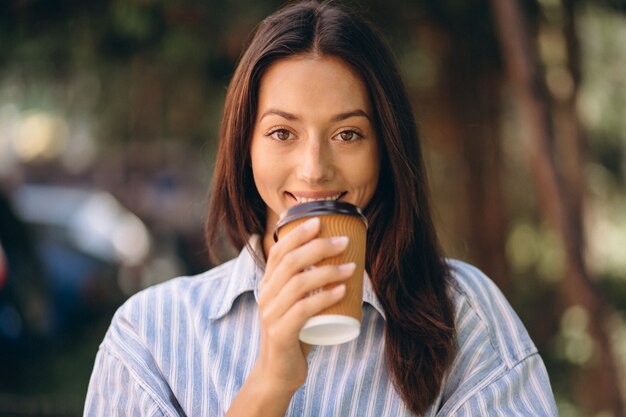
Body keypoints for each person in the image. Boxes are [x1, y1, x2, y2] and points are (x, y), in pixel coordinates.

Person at [84, 1, 558, 416]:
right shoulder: (149, 335)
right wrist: (271, 380)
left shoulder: (463, 316)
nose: (314, 169)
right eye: (282, 133)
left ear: (386, 148)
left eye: (347, 134)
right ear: (244, 146)